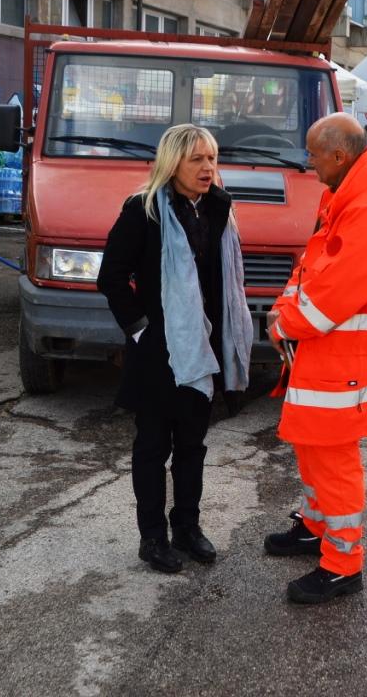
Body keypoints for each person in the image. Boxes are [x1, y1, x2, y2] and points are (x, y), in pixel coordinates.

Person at [263, 112, 367, 604]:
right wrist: (283, 310)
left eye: (313, 153)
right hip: (325, 354)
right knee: (312, 447)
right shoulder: (345, 197)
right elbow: (311, 268)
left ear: (339, 156)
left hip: (343, 359)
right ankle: (315, 528)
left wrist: (284, 322)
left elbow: (335, 291)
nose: (308, 162)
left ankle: (343, 564)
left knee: (332, 457)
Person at [97, 124, 253, 573]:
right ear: (173, 163)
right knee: (151, 447)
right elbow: (111, 277)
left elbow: (225, 278)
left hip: (204, 346)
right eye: (197, 160)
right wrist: (141, 329)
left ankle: (187, 526)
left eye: (212, 159)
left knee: (192, 445)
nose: (208, 168)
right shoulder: (143, 210)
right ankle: (152, 538)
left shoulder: (220, 208)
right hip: (158, 350)